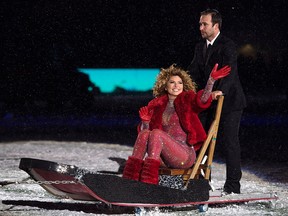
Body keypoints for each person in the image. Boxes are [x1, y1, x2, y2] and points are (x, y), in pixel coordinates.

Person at [122, 63, 230, 185]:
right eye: (172, 82)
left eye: (180, 83)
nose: (176, 86)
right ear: (165, 86)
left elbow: (202, 100)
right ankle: (129, 180)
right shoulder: (156, 105)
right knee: (145, 133)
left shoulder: (187, 100)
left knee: (157, 133)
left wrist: (211, 81)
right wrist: (146, 122)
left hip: (184, 155)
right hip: (162, 157)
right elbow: (146, 138)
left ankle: (149, 183)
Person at [187, 9, 247, 194]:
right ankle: (203, 181)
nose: (201, 27)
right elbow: (194, 71)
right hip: (208, 101)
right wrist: (183, 84)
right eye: (200, 24)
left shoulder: (228, 45)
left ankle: (233, 185)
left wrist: (222, 90)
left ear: (216, 25)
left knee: (229, 142)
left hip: (230, 102)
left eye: (204, 24)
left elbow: (230, 71)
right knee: (201, 141)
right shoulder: (200, 46)